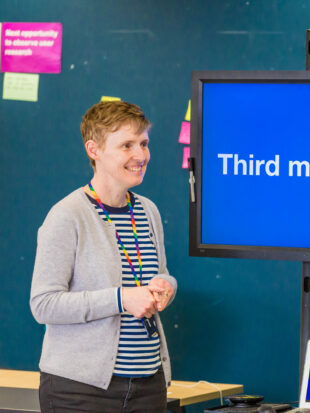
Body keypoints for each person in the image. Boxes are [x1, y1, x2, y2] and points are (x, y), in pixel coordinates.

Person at [30, 101, 177, 412]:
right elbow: (43, 304)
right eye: (126, 145)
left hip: (148, 384)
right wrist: (121, 299)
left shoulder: (147, 210)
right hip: (81, 391)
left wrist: (165, 285)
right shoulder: (67, 215)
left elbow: (158, 273)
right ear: (93, 150)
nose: (141, 156)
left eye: (144, 144)